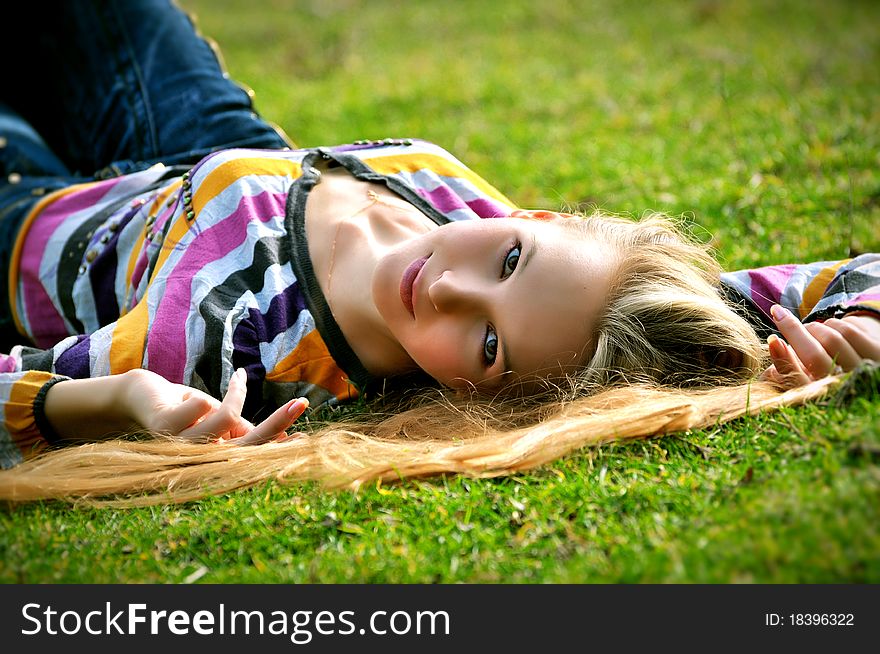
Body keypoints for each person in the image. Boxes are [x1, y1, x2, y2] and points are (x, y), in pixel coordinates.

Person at [0, 0, 878, 504]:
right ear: (557, 220)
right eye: (509, 260)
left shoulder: (233, 339)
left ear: (475, 396)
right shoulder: (574, 278)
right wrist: (853, 326)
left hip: (31, 216)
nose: (450, 289)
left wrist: (120, 396)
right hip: (205, 136)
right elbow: (846, 278)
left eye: (489, 346)